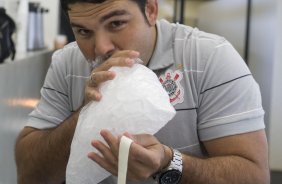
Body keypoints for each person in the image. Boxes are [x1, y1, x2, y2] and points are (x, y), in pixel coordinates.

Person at [15, 0, 270, 183]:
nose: (101, 48)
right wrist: (87, 113)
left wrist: (168, 163)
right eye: (83, 31)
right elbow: (30, 174)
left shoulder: (209, 58)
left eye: (116, 23)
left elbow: (255, 176)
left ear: (150, 10)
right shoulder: (67, 64)